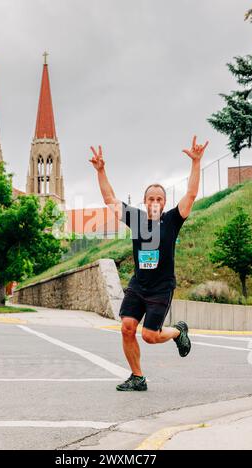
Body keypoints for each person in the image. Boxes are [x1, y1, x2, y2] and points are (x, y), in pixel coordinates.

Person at [89, 136, 209, 391]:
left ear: (164, 203)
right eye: (151, 198)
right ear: (145, 202)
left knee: (150, 336)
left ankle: (177, 332)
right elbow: (110, 199)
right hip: (138, 285)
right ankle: (137, 377)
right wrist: (101, 170)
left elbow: (191, 193)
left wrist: (196, 163)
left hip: (161, 287)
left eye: (159, 199)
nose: (155, 202)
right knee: (127, 328)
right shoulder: (137, 219)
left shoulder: (173, 220)